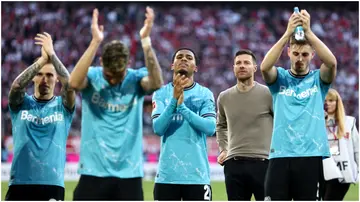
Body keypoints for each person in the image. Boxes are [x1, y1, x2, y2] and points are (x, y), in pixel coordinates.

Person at [69, 7, 163, 200]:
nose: (113, 81)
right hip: (93, 173)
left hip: (129, 174)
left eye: (118, 76)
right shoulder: (93, 76)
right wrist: (95, 41)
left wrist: (146, 42)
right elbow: (73, 83)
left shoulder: (136, 79)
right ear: (101, 62)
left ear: (128, 66)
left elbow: (156, 83)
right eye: (109, 76)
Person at [260, 9, 337, 200]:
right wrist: (287, 33)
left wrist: (309, 32)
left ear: (312, 55)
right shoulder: (280, 78)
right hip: (280, 154)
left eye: (304, 54)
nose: (300, 58)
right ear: (288, 53)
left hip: (311, 155)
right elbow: (264, 67)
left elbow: (332, 63)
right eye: (295, 53)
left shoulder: (318, 80)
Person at [5, 32, 75, 201]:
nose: (44, 79)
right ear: (33, 77)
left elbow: (70, 85)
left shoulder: (63, 106)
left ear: (56, 79)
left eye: (50, 75)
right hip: (19, 184)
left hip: (52, 184)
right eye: (40, 74)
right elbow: (16, 86)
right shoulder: (21, 104)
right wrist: (42, 61)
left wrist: (52, 55)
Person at [151, 48, 216, 201]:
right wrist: (174, 101)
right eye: (179, 57)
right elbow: (158, 128)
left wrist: (182, 108)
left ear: (195, 67)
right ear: (172, 65)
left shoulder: (204, 94)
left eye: (189, 57)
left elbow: (210, 128)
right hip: (167, 177)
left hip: (197, 176)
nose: (184, 59)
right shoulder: (160, 93)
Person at [216, 49, 273, 201]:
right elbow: (221, 126)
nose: (242, 66)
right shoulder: (224, 97)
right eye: (238, 63)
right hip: (233, 165)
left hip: (264, 163)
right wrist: (223, 149)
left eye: (246, 63)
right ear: (233, 68)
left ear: (255, 67)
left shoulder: (268, 94)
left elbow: (280, 124)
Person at [322, 88, 359, 200]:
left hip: (343, 173)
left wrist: (358, 172)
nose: (328, 103)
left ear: (338, 102)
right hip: (323, 172)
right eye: (325, 101)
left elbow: (357, 149)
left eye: (331, 100)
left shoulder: (349, 122)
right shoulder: (317, 123)